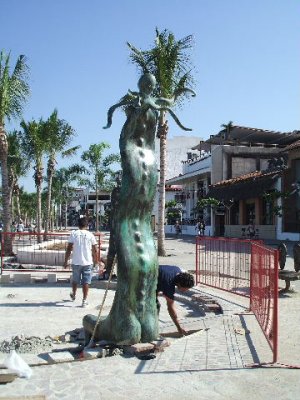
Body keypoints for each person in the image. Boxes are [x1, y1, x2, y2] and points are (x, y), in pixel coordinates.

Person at [64, 216, 100, 307]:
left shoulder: (73, 234)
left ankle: (74, 294)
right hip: (88, 262)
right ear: (87, 225)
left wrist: (65, 261)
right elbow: (95, 249)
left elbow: (69, 248)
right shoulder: (90, 235)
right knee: (86, 282)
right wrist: (96, 261)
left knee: (75, 280)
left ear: (78, 225)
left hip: (76, 261)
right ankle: (84, 300)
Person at [156, 265, 195, 336]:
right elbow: (170, 308)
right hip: (145, 280)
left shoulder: (178, 271)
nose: (186, 290)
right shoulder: (169, 284)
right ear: (179, 284)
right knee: (155, 306)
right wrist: (179, 327)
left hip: (156, 275)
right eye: (185, 288)